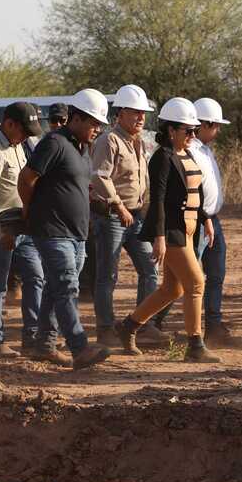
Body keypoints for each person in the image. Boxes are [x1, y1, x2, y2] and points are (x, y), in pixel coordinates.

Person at [114, 97, 221, 363]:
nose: (193, 136)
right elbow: (159, 200)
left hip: (190, 228)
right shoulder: (162, 158)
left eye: (195, 130)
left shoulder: (187, 153)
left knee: (173, 290)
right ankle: (195, 344)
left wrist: (205, 218)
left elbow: (194, 191)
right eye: (188, 131)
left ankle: (128, 326)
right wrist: (160, 237)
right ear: (171, 130)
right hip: (172, 231)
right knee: (196, 283)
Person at [18, 90, 112, 370]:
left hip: (76, 234)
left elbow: (73, 186)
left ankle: (44, 345)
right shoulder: (54, 143)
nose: (97, 129)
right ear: (77, 118)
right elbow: (26, 178)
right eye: (94, 123)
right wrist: (29, 209)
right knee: (67, 286)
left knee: (55, 288)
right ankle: (79, 347)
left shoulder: (81, 149)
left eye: (100, 124)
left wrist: (95, 201)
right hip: (52, 230)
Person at [0, 102, 58, 360]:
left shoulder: (17, 145)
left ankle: (32, 337)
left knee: (36, 277)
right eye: (23, 131)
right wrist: (0, 233)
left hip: (22, 226)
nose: (25, 137)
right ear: (9, 124)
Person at [90, 84, 168, 349]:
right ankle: (105, 329)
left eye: (143, 113)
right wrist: (118, 205)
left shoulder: (139, 142)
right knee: (107, 275)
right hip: (112, 217)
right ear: (121, 113)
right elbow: (100, 177)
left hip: (135, 217)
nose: (141, 117)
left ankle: (141, 324)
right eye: (135, 112)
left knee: (150, 269)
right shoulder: (108, 140)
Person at [190, 97, 237, 346]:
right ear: (203, 124)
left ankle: (214, 324)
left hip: (211, 220)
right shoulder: (190, 150)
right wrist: (204, 216)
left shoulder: (205, 150)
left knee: (216, 273)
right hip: (198, 220)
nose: (217, 130)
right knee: (189, 277)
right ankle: (154, 322)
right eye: (215, 125)